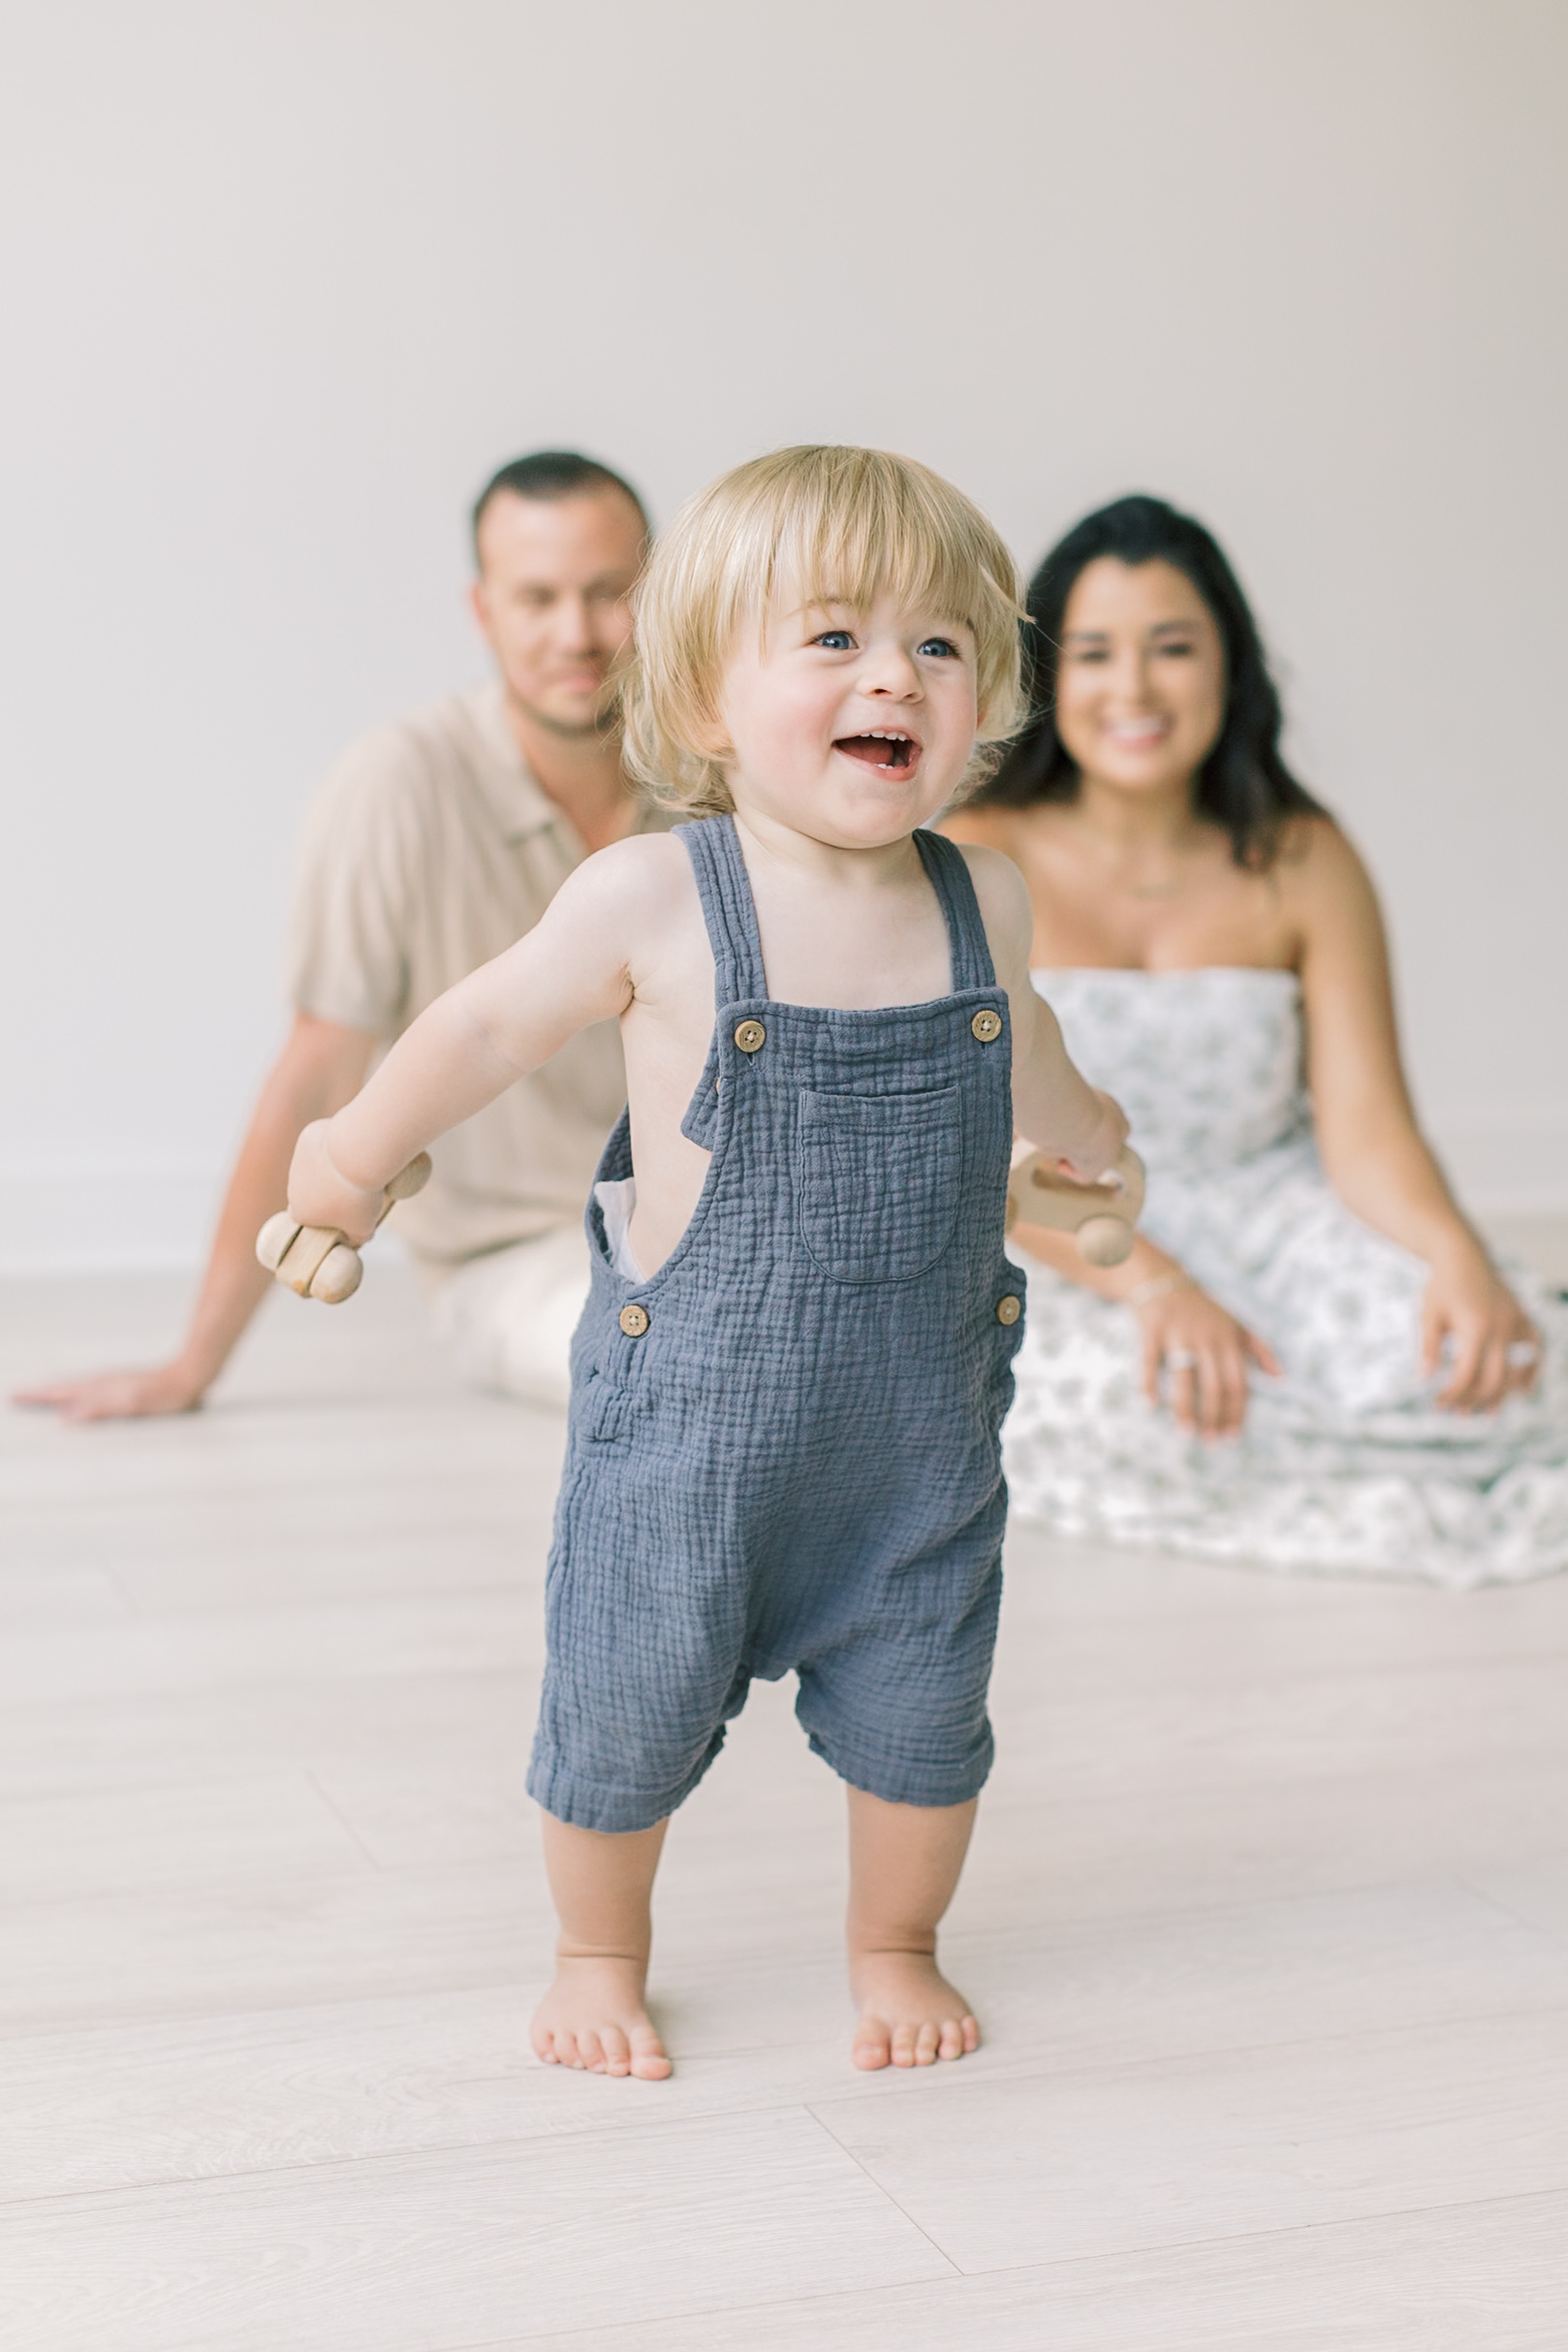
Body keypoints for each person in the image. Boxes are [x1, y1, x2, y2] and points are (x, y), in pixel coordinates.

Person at [280, 445, 1128, 2078]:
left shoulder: (983, 901)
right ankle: (597, 1949)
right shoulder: (658, 897)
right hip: (688, 1437)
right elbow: (475, 1024)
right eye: (831, 638)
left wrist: (1082, 1145)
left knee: (926, 1724)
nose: (894, 672)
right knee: (623, 1700)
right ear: (702, 699)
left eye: (938, 645)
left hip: (914, 1443)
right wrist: (346, 1160)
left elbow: (1023, 1042)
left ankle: (895, 1943)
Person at [946, 493, 1568, 1587]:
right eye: (1093, 654)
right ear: (1045, 677)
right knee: (1122, 1400)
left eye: (1172, 648)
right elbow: (975, 1157)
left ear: (1228, 666)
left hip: (1273, 1212)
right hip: (1059, 1238)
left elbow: (1368, 1132)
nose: (1133, 689)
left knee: (1507, 1362)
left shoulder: (1303, 855)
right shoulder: (971, 857)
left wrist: (1456, 1255)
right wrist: (1154, 1286)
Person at [17, 450, 661, 1422]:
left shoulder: (719, 776)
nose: (574, 632)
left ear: (655, 599)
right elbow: (318, 1074)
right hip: (523, 1263)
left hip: (725, 1221)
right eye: (537, 598)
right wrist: (192, 1365)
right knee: (691, 1368)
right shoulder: (399, 785)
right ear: (483, 612)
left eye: (606, 592)